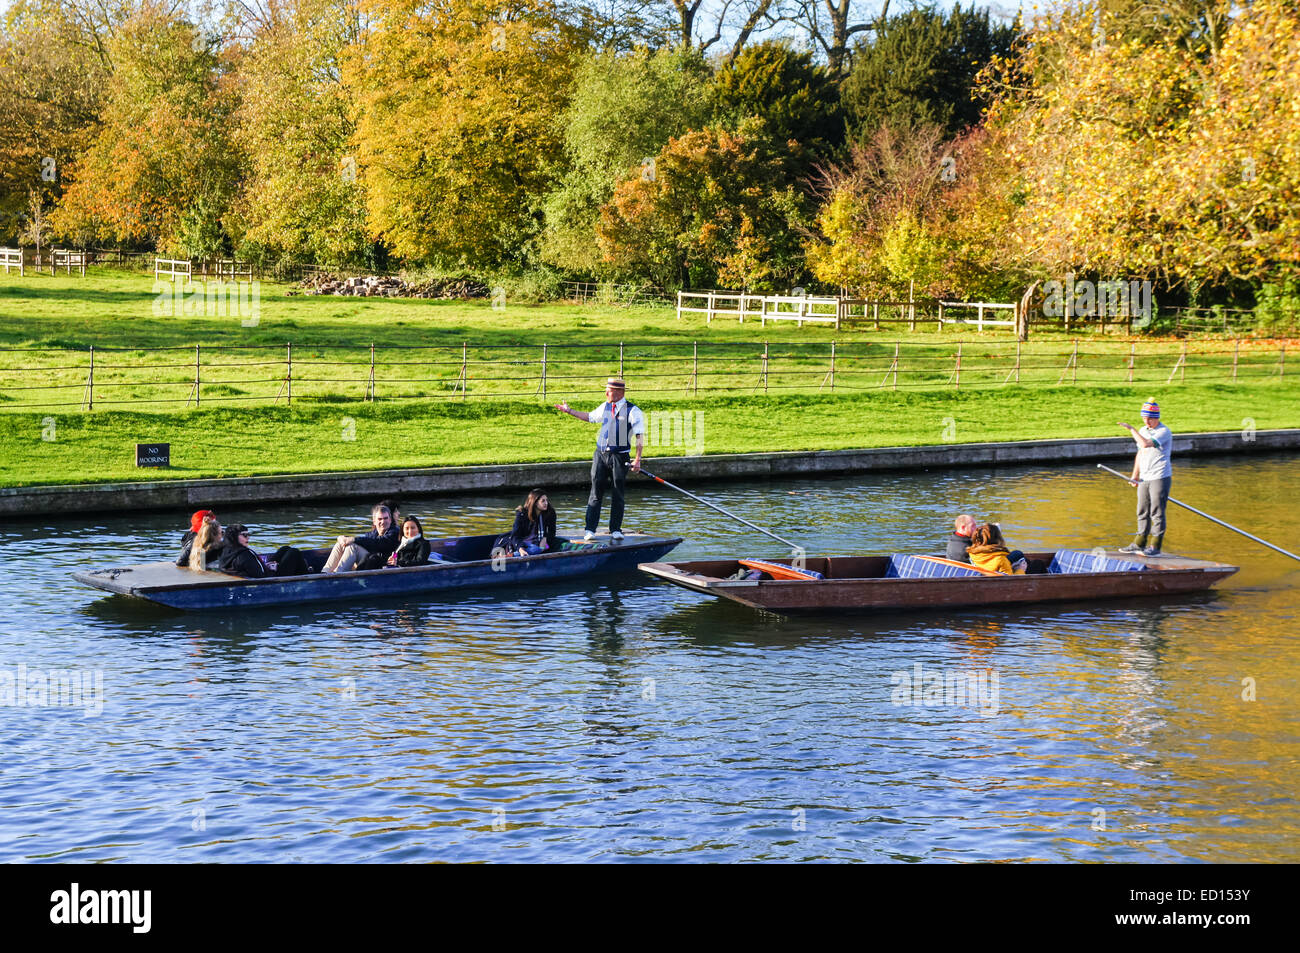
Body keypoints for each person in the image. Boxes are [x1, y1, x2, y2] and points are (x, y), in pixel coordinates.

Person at [555, 377, 646, 542]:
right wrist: (570, 411)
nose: (606, 393)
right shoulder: (605, 406)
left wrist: (637, 459)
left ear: (619, 392)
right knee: (595, 492)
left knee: (618, 493)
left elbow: (640, 436)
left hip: (620, 456)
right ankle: (590, 529)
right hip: (601, 455)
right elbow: (589, 417)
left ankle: (615, 529)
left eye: (609, 391)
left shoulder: (633, 411)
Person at [1119, 398, 1173, 555]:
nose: (1147, 421)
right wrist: (1135, 475)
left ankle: (1155, 546)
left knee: (1156, 512)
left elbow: (1145, 444)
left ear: (1157, 417)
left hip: (1160, 476)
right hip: (1144, 477)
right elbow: (1140, 452)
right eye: (1144, 418)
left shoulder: (1164, 432)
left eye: (1150, 418)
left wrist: (1131, 429)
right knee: (1142, 510)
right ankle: (1139, 543)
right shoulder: (1143, 430)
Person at [321, 502, 400, 573]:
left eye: (386, 518)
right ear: (374, 521)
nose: (383, 522)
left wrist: (353, 539)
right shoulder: (373, 533)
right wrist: (343, 538)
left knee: (353, 547)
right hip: (368, 560)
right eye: (380, 519)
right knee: (341, 544)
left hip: (381, 563)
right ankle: (325, 573)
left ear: (390, 520)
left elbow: (378, 543)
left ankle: (338, 574)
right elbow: (366, 540)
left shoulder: (394, 532)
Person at [216, 524, 312, 577]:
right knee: (293, 552)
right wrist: (272, 569)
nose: (248, 538)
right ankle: (307, 575)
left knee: (285, 549)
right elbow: (261, 576)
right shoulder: (244, 555)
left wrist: (267, 566)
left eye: (248, 534)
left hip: (257, 574)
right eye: (244, 535)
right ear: (234, 537)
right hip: (273, 580)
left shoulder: (225, 551)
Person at [504, 488, 560, 556]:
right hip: (523, 543)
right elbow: (515, 535)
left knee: (539, 549)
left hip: (540, 544)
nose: (546, 503)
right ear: (535, 502)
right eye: (543, 501)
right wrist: (520, 549)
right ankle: (511, 556)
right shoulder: (522, 514)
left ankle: (511, 556)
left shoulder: (550, 512)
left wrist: (545, 539)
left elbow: (552, 531)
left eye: (546, 500)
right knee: (535, 549)